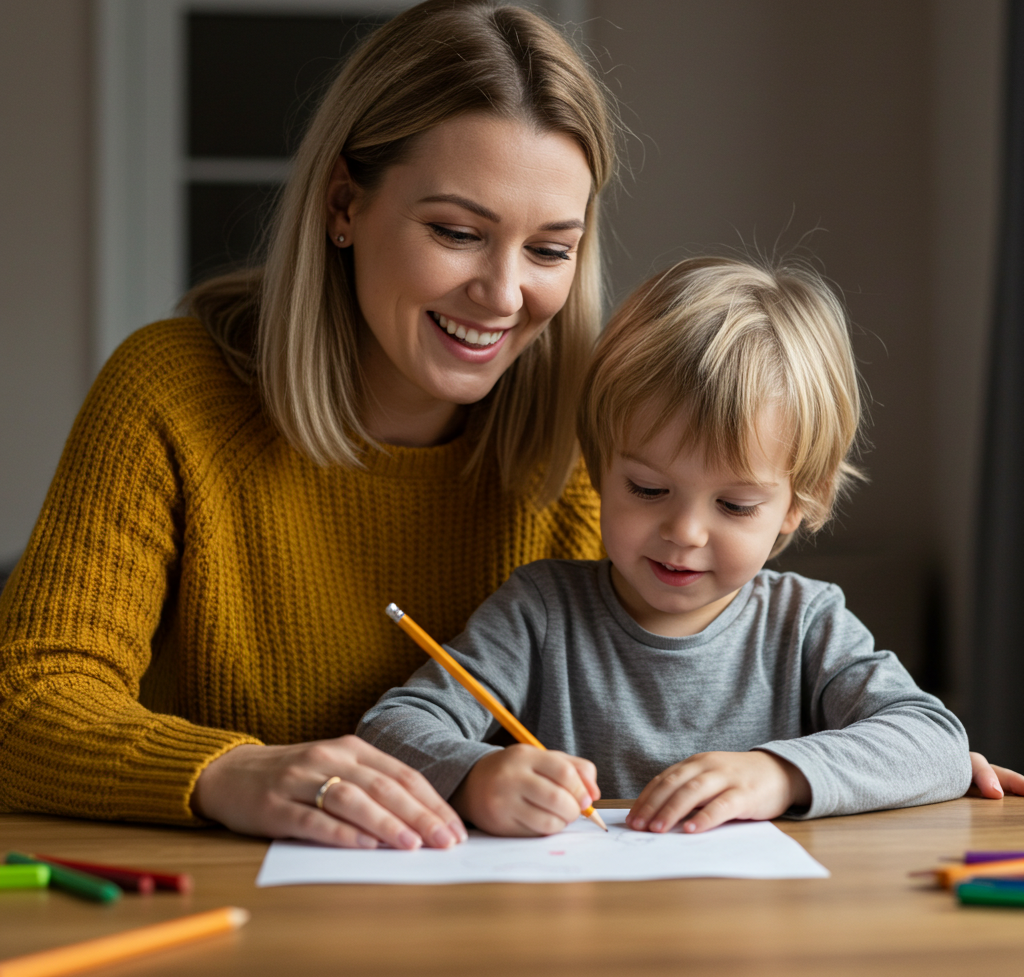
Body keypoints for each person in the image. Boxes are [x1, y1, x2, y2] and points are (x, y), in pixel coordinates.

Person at [0, 0, 618, 850]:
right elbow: (25, 705)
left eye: (550, 249)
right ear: (342, 206)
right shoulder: (171, 393)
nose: (505, 294)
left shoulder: (590, 441)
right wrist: (224, 773)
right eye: (456, 231)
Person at [358, 257, 980, 836]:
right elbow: (391, 730)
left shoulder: (806, 623)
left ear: (798, 503)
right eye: (648, 488)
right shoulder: (539, 612)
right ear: (601, 469)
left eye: (735, 505)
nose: (685, 533)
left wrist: (777, 773)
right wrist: (475, 777)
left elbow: (935, 742)